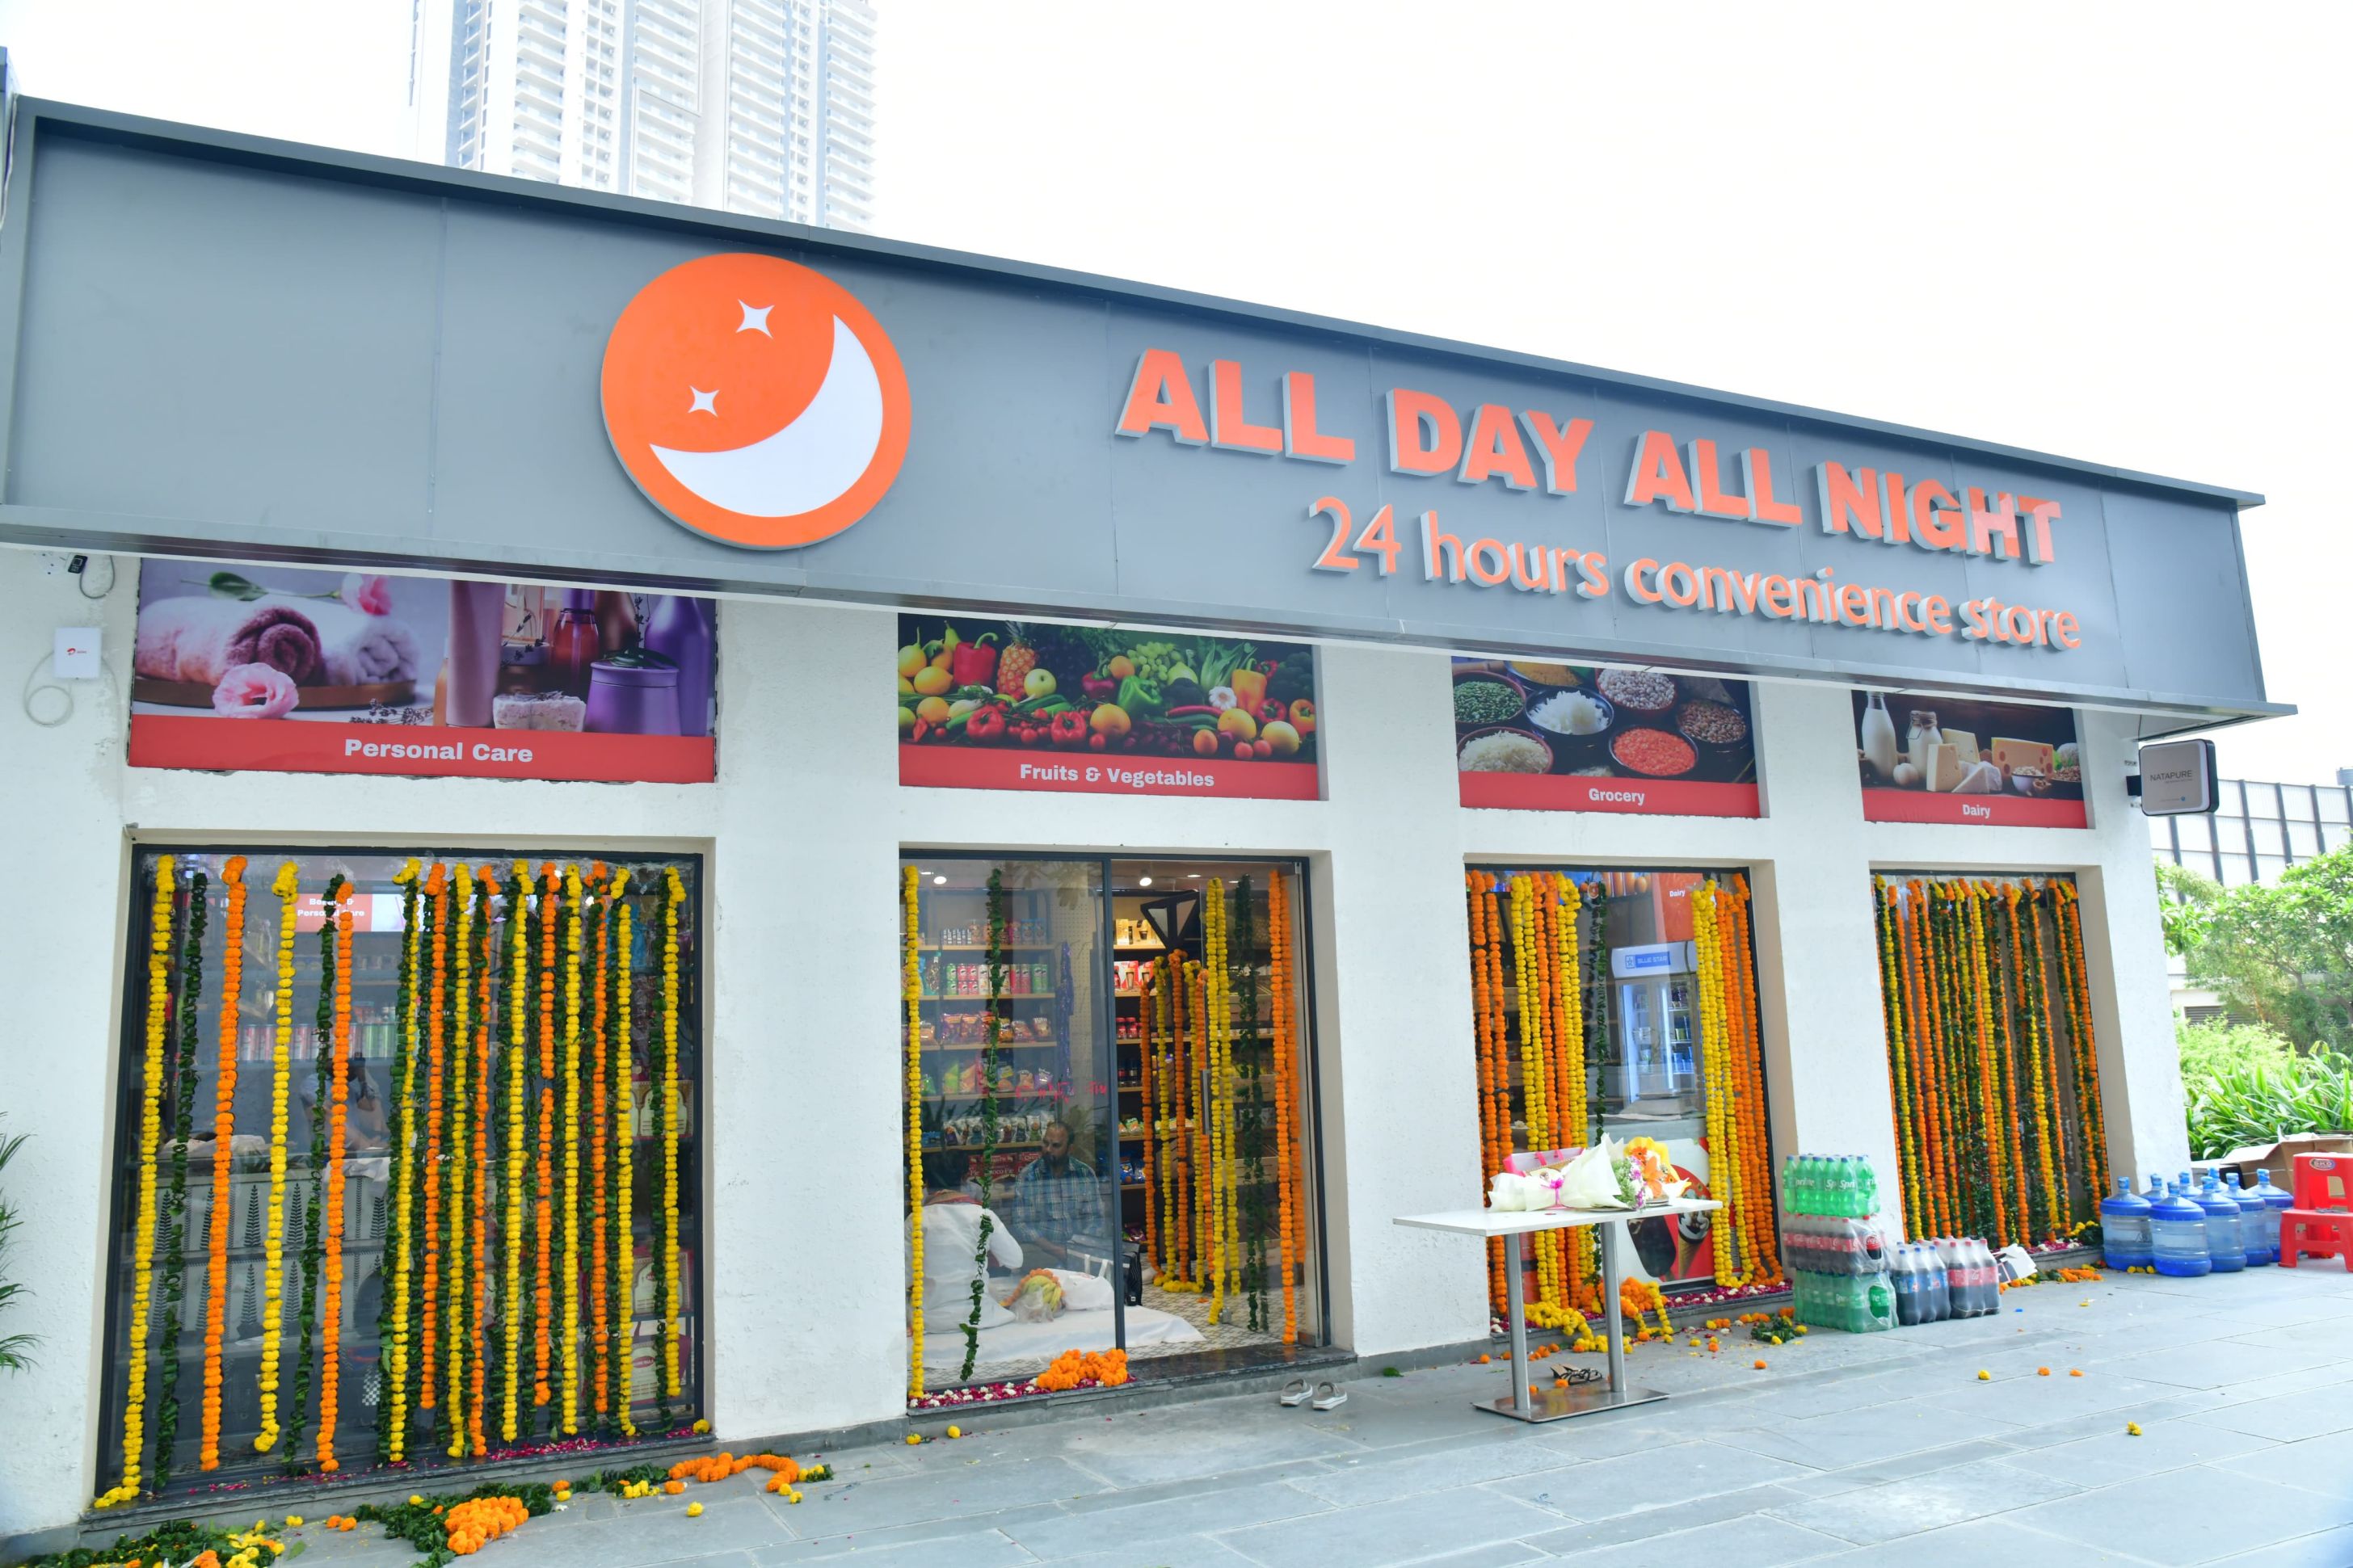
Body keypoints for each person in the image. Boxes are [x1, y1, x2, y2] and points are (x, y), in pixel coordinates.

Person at [914, 1149, 1022, 1333]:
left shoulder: (916, 1220)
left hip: (932, 1322)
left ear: (926, 1184)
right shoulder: (983, 1216)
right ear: (965, 1179)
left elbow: (905, 1276)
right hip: (981, 1317)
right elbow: (1015, 1260)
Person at [1007, 1116, 1101, 1269]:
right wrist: (1057, 1250)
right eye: (1045, 1143)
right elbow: (1021, 1224)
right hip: (1043, 1250)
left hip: (1080, 1248)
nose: (1048, 1149)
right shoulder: (1029, 1175)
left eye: (1056, 1145)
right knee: (1027, 1256)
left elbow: (1095, 1220)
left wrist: (1074, 1249)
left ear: (1070, 1149)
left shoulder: (1084, 1173)